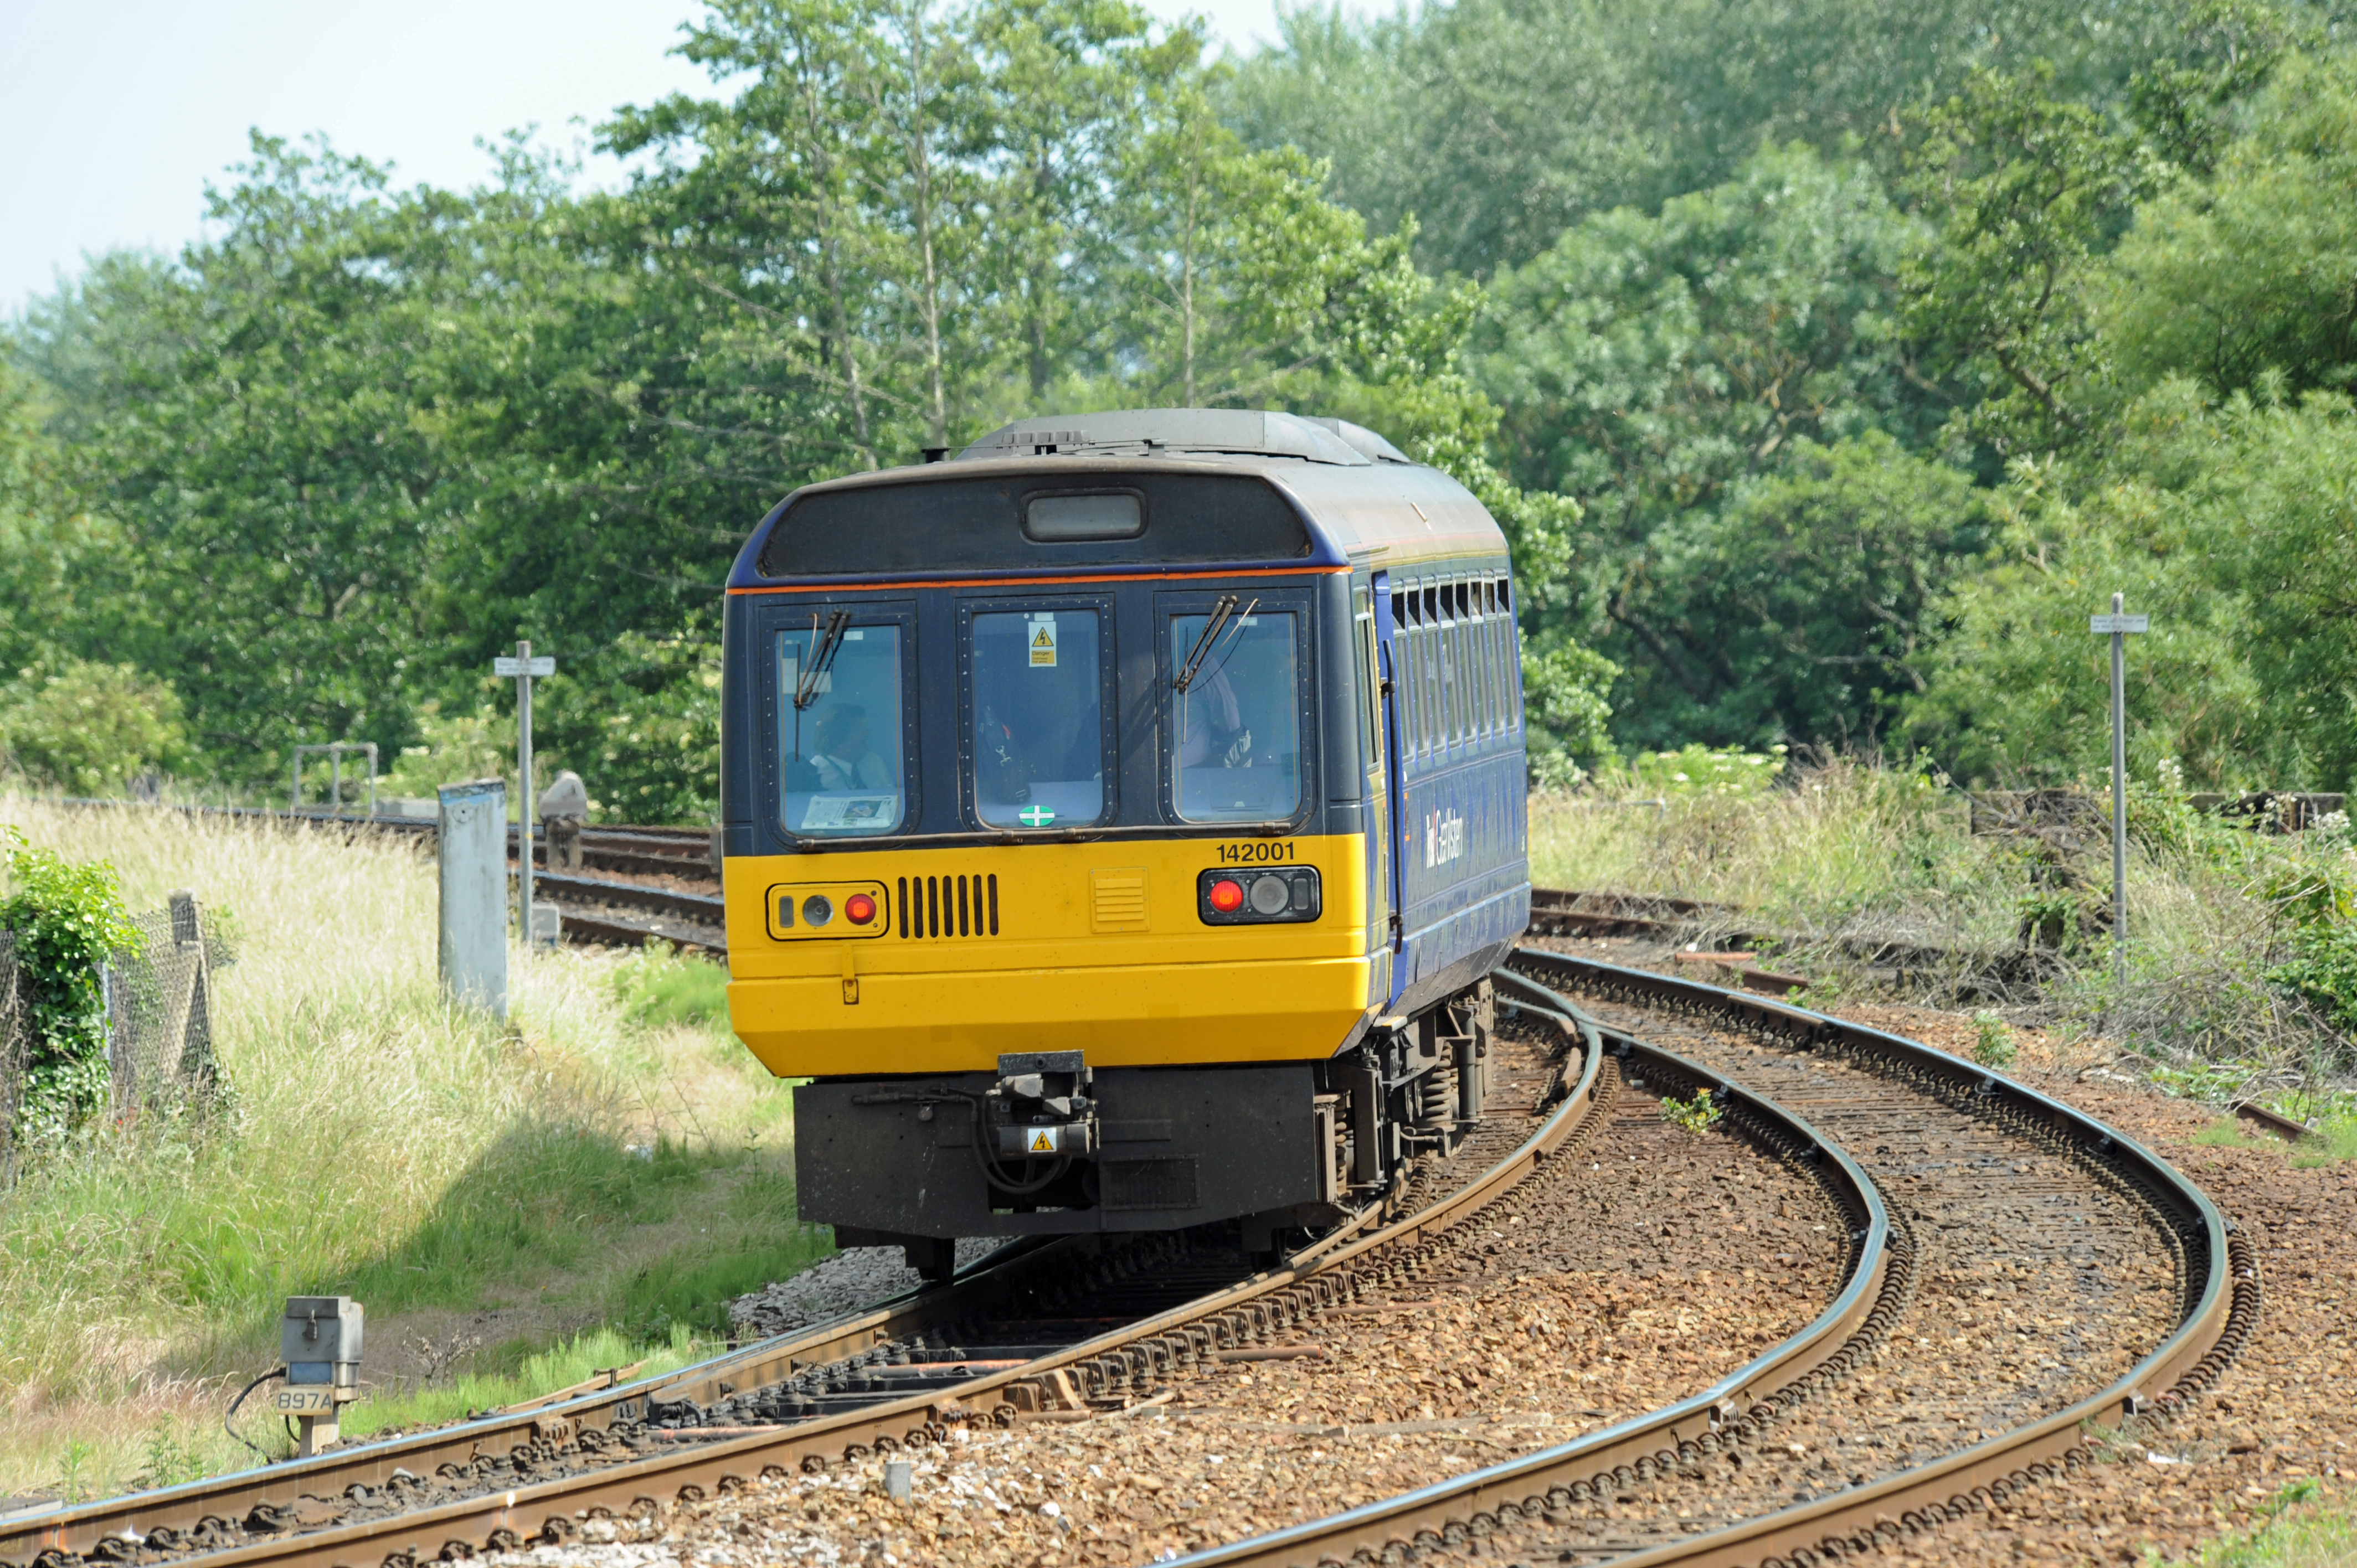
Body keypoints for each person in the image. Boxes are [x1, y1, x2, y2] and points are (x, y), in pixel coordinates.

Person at [809, 704, 894, 791]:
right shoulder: (814, 774)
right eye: (860, 729)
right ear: (840, 737)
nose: (867, 733)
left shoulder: (874, 761)